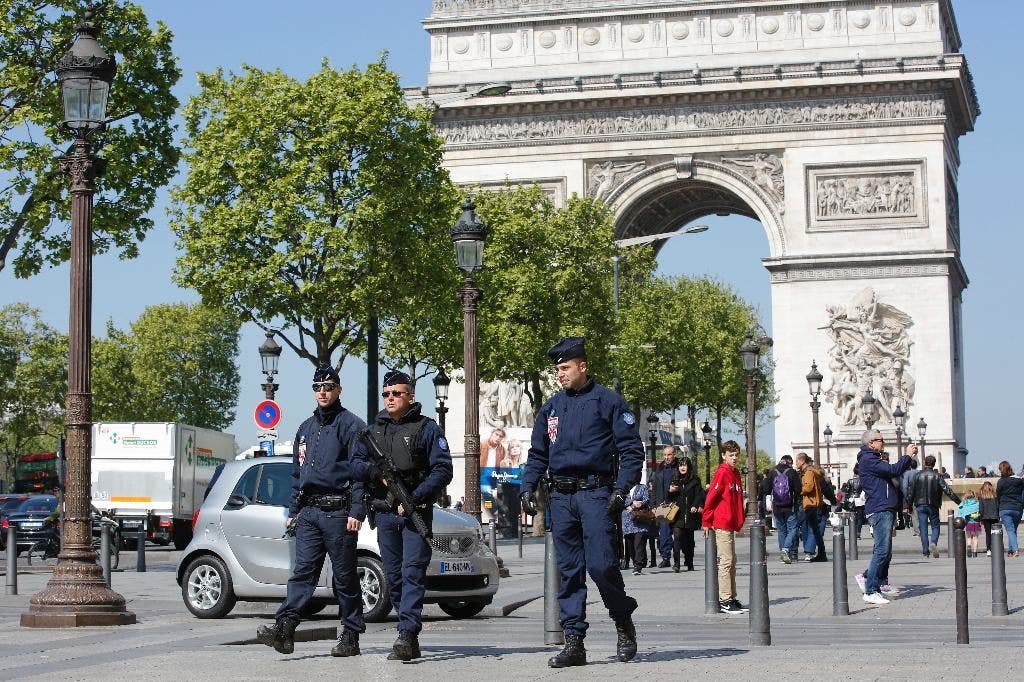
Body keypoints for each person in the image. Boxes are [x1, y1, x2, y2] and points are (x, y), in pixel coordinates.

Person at [520, 337, 644, 668]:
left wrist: (621, 490)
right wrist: (526, 487)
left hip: (595, 495)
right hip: (560, 497)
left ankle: (622, 620)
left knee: (602, 566)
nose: (559, 374)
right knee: (569, 572)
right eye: (557, 369)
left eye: (565, 368)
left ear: (582, 366)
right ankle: (574, 642)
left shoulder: (609, 402)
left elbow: (632, 451)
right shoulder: (551, 408)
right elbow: (538, 454)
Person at [257, 364, 374, 656]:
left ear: (339, 389)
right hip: (309, 512)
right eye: (317, 387)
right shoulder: (305, 428)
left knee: (345, 578)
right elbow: (297, 473)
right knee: (303, 573)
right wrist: (293, 511)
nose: (322, 391)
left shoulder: (352, 425)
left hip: (338, 510)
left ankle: (350, 635)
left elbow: (359, 474)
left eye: (328, 386)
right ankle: (285, 628)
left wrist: (357, 512)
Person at [367, 370, 453, 661]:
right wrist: (374, 474)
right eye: (386, 394)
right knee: (394, 575)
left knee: (412, 572)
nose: (390, 399)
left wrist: (415, 499)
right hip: (385, 514)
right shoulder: (374, 431)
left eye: (397, 394)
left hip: (415, 511)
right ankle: (408, 630)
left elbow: (443, 469)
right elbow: (355, 465)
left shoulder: (426, 428)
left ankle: (407, 633)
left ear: (410, 396)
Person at [853, 429, 917, 605]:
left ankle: (871, 579)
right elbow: (894, 470)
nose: (883, 442)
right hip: (880, 509)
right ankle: (870, 590)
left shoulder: (872, 459)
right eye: (880, 440)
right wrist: (908, 456)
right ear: (870, 443)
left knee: (885, 552)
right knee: (882, 551)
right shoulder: (869, 460)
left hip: (884, 507)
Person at [702, 440, 746, 614]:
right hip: (722, 522)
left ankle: (732, 597)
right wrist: (706, 520)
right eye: (731, 455)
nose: (734, 458)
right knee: (726, 561)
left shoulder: (735, 474)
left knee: (732, 561)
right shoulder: (723, 473)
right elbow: (711, 497)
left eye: (736, 455)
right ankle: (725, 599)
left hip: (730, 523)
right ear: (723, 456)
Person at [908, 455, 961, 559]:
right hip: (933, 505)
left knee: (923, 528)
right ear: (934, 464)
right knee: (935, 526)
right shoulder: (937, 476)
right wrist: (958, 501)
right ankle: (933, 542)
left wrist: (909, 506)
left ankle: (925, 552)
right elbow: (947, 490)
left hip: (920, 505)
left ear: (924, 463)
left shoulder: (918, 475)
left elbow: (911, 492)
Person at [760, 454, 801, 564]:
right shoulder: (792, 472)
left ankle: (783, 553)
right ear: (788, 462)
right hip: (790, 505)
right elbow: (798, 489)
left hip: (777, 505)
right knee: (792, 528)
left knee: (781, 530)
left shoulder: (773, 472)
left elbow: (766, 490)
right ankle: (786, 549)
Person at [666, 457, 704, 571]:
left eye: (684, 465)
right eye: (680, 465)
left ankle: (689, 561)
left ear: (689, 466)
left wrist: (695, 505)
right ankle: (676, 563)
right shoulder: (675, 479)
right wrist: (670, 491)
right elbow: (668, 497)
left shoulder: (695, 480)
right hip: (677, 514)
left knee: (689, 540)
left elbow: (699, 495)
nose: (682, 467)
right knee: (677, 537)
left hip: (690, 514)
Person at [796, 453, 828, 562]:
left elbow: (808, 487)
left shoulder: (808, 473)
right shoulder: (811, 472)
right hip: (813, 504)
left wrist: (799, 491)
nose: (796, 463)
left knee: (810, 529)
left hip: (810, 503)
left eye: (797, 460)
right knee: (814, 529)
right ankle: (820, 553)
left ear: (802, 461)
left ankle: (809, 551)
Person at [651, 446, 678, 568]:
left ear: (674, 454)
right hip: (663, 505)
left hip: (677, 505)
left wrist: (678, 488)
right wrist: (653, 504)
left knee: (680, 534)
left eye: (669, 455)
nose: (666, 457)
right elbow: (654, 488)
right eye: (665, 455)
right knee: (664, 534)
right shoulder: (659, 469)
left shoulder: (681, 467)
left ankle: (687, 558)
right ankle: (666, 557)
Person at [622, 482, 653, 575]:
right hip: (627, 520)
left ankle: (638, 566)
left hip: (639, 519)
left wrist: (639, 504)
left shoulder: (642, 487)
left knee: (638, 544)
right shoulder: (623, 487)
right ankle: (635, 562)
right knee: (630, 545)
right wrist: (631, 503)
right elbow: (619, 499)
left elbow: (646, 499)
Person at [996, 461, 1024, 558]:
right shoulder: (1019, 481)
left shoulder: (1001, 482)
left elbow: (998, 496)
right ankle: (1011, 550)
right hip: (1017, 508)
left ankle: (1015, 550)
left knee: (1010, 530)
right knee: (1013, 530)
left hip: (1005, 508)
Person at [978, 481, 999, 556]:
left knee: (988, 534)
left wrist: (980, 519)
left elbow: (981, 509)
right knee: (996, 533)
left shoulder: (981, 496)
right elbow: (997, 507)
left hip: (985, 517)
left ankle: (989, 550)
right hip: (994, 517)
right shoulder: (995, 496)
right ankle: (996, 548)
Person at [962, 491, 982, 558]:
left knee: (969, 537)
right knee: (975, 538)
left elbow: (961, 512)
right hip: (976, 523)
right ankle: (975, 552)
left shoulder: (965, 504)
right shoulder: (977, 503)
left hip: (968, 523)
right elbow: (980, 511)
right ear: (974, 496)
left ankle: (969, 546)